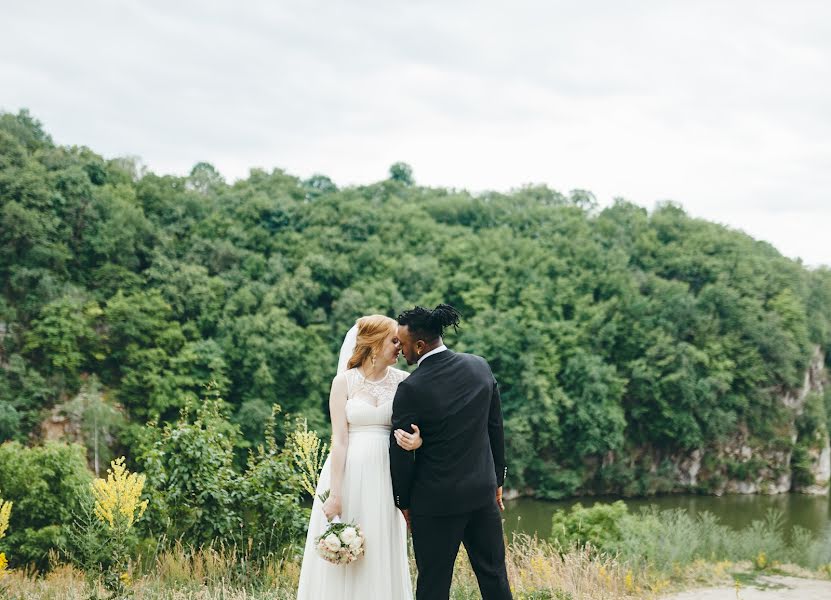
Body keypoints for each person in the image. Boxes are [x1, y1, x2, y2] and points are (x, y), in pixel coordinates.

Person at [390, 304, 512, 600]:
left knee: (433, 584)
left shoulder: (412, 388)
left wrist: (403, 502)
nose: (400, 350)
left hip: (435, 503)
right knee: (494, 575)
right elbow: (495, 427)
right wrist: (497, 480)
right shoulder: (479, 366)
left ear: (419, 346)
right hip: (482, 492)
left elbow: (400, 452)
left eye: (403, 344)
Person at [297, 315, 421, 600]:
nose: (401, 347)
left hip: (387, 477)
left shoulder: (405, 382)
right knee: (348, 546)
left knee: (379, 545)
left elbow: (420, 427)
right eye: (394, 341)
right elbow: (339, 440)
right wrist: (335, 494)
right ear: (374, 344)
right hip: (348, 473)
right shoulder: (344, 383)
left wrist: (418, 440)